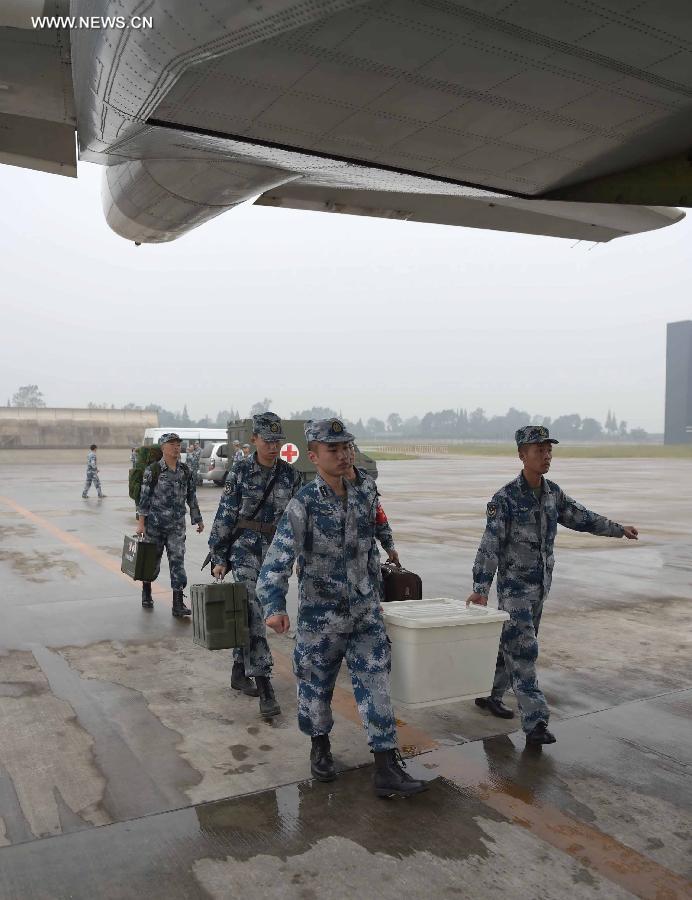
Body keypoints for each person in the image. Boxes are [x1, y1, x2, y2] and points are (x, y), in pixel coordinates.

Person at [257, 418, 428, 798]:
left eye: (347, 447)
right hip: (322, 619)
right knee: (315, 688)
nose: (343, 454)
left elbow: (378, 519)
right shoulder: (304, 503)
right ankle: (319, 747)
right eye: (333, 449)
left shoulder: (365, 490)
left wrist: (389, 544)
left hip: (366, 612)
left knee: (376, 685)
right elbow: (278, 559)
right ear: (314, 456)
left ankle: (386, 765)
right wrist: (273, 604)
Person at [467, 425, 639, 747]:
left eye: (548, 450)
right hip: (515, 591)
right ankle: (535, 722)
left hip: (540, 588)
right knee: (524, 651)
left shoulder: (552, 494)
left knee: (511, 646)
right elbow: (490, 545)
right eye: (539, 450)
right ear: (522, 455)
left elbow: (583, 518)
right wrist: (481, 587)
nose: (546, 456)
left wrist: (618, 529)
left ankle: (490, 694)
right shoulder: (504, 499)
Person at [209, 412, 302, 718]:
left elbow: (299, 521)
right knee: (255, 610)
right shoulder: (240, 472)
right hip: (245, 549)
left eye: (278, 441)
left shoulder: (290, 476)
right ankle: (265, 685)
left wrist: (302, 557)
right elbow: (225, 514)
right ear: (254, 439)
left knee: (251, 613)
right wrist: (219, 556)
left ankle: (239, 671)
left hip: (275, 553)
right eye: (267, 441)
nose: (273, 447)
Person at [136, 433, 204, 616]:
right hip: (155, 527)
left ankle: (178, 603)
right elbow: (144, 499)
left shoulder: (185, 471)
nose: (176, 447)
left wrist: (197, 519)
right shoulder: (153, 470)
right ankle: (146, 592)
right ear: (163, 448)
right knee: (151, 563)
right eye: (172, 444)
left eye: (178, 444)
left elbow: (191, 496)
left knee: (177, 562)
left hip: (176, 528)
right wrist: (141, 524)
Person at [345, 441, 400, 587]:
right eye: (341, 448)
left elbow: (379, 516)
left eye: (350, 447)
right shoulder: (323, 488)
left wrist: (389, 546)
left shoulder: (368, 483)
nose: (347, 453)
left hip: (368, 565)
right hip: (337, 570)